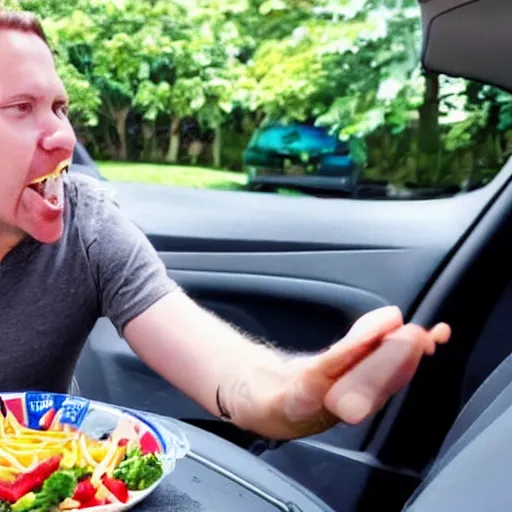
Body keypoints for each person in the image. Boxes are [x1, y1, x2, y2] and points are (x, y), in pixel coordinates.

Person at [0, 9, 450, 441]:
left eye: (59, 107)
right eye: (21, 107)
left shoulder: (88, 229)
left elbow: (231, 374)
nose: (64, 136)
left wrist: (300, 395)